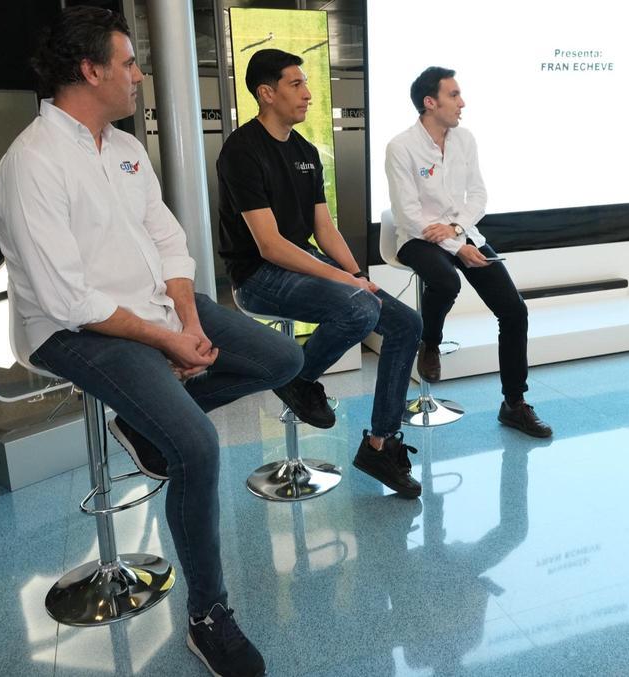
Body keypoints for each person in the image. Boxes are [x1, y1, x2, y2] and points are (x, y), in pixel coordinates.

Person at [0, 8, 291, 676]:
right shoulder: (32, 163)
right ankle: (208, 616)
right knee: (196, 444)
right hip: (72, 333)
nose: (138, 74)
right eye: (128, 62)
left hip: (157, 312)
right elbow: (69, 299)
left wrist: (186, 323)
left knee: (282, 358)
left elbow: (168, 240)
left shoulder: (126, 149)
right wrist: (165, 342)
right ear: (90, 69)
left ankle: (148, 421)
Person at [216, 49, 425, 498]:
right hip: (257, 276)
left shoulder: (306, 151)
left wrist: (355, 273)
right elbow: (269, 245)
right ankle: (296, 377)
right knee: (358, 309)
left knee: (406, 322)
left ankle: (379, 443)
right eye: (296, 84)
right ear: (265, 93)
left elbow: (323, 227)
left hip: (302, 263)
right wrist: (347, 285)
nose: (308, 94)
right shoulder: (241, 151)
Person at [384, 66, 552, 438]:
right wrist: (459, 248)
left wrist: (459, 232)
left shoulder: (465, 139)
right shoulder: (400, 147)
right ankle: (431, 342)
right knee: (445, 281)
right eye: (454, 95)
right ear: (430, 103)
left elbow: (478, 196)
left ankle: (513, 404)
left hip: (459, 230)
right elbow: (409, 216)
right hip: (416, 238)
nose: (463, 103)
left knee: (513, 310)